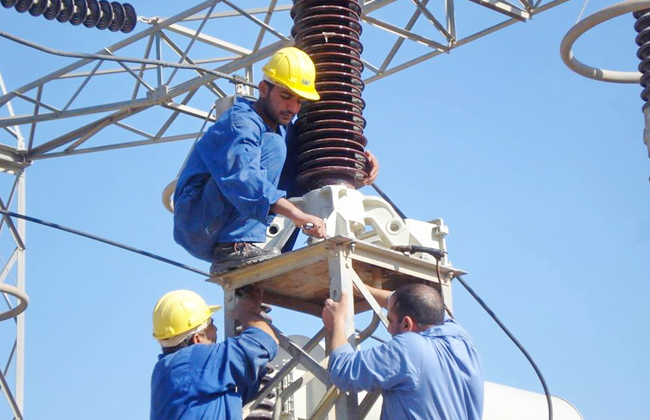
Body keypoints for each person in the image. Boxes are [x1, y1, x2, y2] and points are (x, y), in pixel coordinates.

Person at [173, 46, 379, 274]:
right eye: (285, 96)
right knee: (275, 146)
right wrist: (297, 214)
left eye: (299, 101)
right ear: (263, 89)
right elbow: (243, 179)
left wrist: (354, 163)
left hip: (223, 218)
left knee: (299, 156)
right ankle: (235, 247)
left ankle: (268, 248)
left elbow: (312, 160)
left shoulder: (283, 129)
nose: (293, 108)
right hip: (198, 221)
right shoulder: (240, 123)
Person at [321, 282, 484, 420]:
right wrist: (365, 290)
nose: (389, 329)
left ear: (407, 324)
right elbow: (423, 303)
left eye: (390, 321)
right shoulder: (462, 339)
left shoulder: (410, 348)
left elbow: (343, 371)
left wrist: (336, 322)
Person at [150, 287, 278, 420]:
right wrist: (247, 314)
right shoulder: (194, 361)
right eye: (211, 324)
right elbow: (264, 340)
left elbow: (241, 390)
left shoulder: (171, 371)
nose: (216, 329)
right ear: (197, 339)